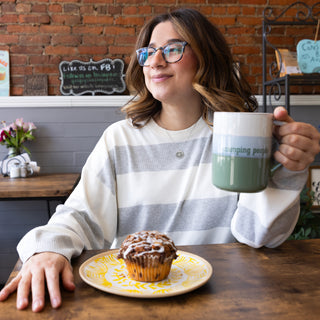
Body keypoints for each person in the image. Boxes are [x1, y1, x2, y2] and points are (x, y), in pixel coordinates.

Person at [1, 8, 320, 313]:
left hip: (224, 298)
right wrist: (47, 249)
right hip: (131, 301)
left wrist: (290, 169)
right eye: (148, 51)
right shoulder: (119, 139)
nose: (154, 61)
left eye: (172, 49)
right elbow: (81, 216)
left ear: (206, 58)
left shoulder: (239, 135)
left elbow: (257, 235)